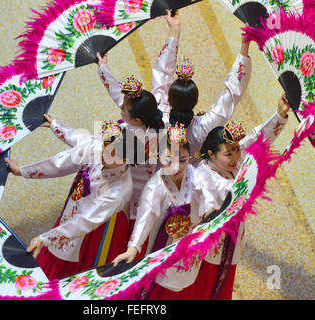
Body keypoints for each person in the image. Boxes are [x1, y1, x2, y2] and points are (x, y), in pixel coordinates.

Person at [5, 119, 143, 279]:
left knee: (68, 258)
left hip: (95, 223)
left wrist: (44, 238)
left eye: (113, 155)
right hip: (77, 208)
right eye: (106, 146)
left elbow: (85, 222)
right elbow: (64, 160)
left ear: (126, 160)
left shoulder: (119, 191)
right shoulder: (99, 149)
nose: (105, 154)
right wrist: (22, 171)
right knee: (64, 229)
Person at [192, 94, 291, 299]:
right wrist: (211, 213)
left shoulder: (232, 159)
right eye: (228, 154)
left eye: (236, 151)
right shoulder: (203, 175)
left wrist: (280, 114)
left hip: (233, 233)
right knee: (205, 283)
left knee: (225, 278)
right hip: (211, 237)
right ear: (210, 154)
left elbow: (257, 137)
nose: (236, 158)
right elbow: (207, 197)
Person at [96, 9, 179, 248]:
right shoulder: (161, 112)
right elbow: (164, 72)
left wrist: (103, 69)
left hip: (129, 192)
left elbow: (104, 163)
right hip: (157, 190)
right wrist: (174, 30)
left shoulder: (127, 141)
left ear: (135, 120)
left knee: (119, 234)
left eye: (124, 111)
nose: (120, 110)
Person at [111, 124, 217, 299]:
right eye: (169, 160)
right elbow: (146, 216)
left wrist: (209, 209)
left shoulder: (196, 175)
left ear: (189, 158)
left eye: (182, 160)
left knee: (185, 281)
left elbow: (206, 192)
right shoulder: (156, 185)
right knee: (157, 286)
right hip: (161, 244)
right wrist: (133, 248)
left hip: (189, 243)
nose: (175, 167)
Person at [168, 29, 253, 166]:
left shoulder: (158, 120)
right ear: (196, 101)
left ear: (168, 100)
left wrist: (174, 29)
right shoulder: (205, 125)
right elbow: (232, 92)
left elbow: (161, 73)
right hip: (197, 180)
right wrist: (245, 46)